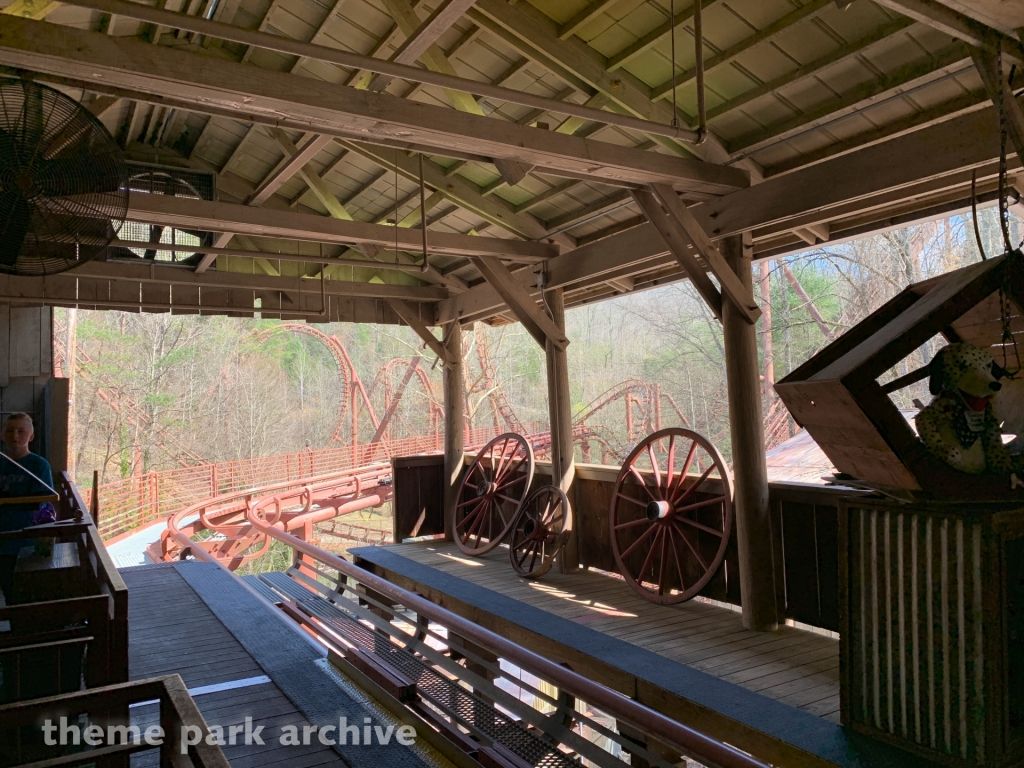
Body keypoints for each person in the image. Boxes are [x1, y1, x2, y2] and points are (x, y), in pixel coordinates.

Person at [0, 413, 54, 602]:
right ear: (2, 435)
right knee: (7, 588)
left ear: (31, 436)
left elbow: (43, 502)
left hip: (26, 541)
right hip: (2, 540)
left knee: (24, 592)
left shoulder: (39, 465)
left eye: (21, 431)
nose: (15, 436)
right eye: (9, 431)